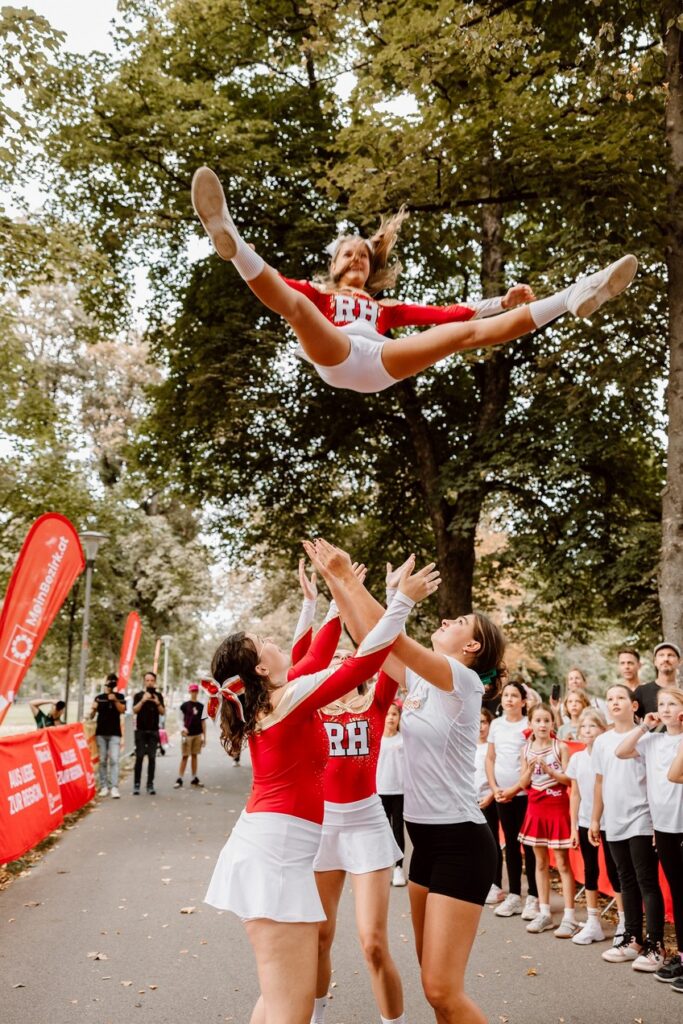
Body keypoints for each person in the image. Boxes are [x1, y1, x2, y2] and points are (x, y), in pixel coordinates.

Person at [204, 550, 438, 1024]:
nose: (273, 641)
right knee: (289, 1011)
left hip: (277, 851)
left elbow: (312, 657)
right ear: (262, 670)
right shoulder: (285, 700)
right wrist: (401, 604)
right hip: (277, 858)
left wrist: (332, 599)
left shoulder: (274, 696)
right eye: (263, 641)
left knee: (277, 1002)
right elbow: (357, 667)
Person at [191, 166, 638, 395]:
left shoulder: (385, 309)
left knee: (461, 334)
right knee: (297, 306)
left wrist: (502, 301)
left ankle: (574, 294)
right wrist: (243, 255)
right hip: (337, 352)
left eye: (364, 256)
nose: (357, 259)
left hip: (381, 359)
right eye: (349, 253)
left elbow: (451, 313)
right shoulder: (320, 293)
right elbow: (278, 289)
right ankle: (229, 236)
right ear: (334, 264)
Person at [305, 539, 505, 1024]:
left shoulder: (463, 681)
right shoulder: (420, 682)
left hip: (463, 843)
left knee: (442, 988)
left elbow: (393, 637)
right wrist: (337, 582)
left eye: (458, 624)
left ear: (471, 647)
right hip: (426, 844)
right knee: (435, 991)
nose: (446, 622)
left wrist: (354, 578)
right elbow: (372, 639)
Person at [590, 684, 665, 972]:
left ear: (634, 705)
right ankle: (632, 939)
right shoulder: (602, 741)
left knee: (646, 880)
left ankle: (655, 944)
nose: (614, 702)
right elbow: (599, 782)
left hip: (642, 818)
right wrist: (596, 818)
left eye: (620, 697)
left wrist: (657, 822)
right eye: (609, 699)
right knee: (625, 880)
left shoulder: (647, 739)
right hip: (614, 820)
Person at [615, 688, 683, 987]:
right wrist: (645, 725)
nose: (666, 709)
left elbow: (674, 777)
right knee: (679, 894)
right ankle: (681, 956)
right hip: (664, 828)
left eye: (673, 704)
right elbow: (621, 751)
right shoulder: (653, 740)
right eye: (662, 704)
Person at [517, 704, 577, 937]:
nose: (542, 725)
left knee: (561, 862)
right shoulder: (526, 749)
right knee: (539, 862)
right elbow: (522, 784)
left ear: (553, 723)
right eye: (538, 720)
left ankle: (570, 915)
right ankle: (544, 912)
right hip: (535, 808)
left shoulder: (560, 747)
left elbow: (569, 780)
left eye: (546, 720)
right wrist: (530, 771)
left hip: (557, 807)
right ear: (530, 723)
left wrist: (551, 772)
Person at [567, 708, 624, 944]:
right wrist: (573, 827)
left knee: (615, 870)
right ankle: (593, 922)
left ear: (603, 729)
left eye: (593, 726)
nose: (587, 730)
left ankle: (624, 922)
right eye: (584, 726)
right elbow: (575, 795)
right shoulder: (577, 758)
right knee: (590, 870)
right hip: (583, 821)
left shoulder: (610, 755)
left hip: (609, 822)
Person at [485, 680, 539, 921]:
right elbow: (490, 758)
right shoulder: (496, 725)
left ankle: (534, 896)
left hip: (524, 795)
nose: (509, 699)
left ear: (523, 701)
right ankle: (515, 894)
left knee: (529, 845)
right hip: (501, 794)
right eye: (506, 695)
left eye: (514, 695)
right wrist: (496, 788)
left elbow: (531, 763)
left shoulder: (529, 726)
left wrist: (515, 788)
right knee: (511, 847)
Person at [377, 700, 406, 888]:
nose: (390, 718)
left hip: (399, 790)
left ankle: (399, 867)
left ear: (399, 718)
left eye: (394, 714)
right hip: (380, 790)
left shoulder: (403, 739)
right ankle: (383, 866)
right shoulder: (377, 739)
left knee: (397, 829)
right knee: (382, 830)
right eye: (387, 714)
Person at [476, 708, 504, 906]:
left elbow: (497, 773)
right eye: (477, 722)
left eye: (484, 722)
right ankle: (478, 881)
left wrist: (491, 795)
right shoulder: (467, 744)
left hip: (489, 798)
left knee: (492, 842)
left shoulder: (491, 748)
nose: (480, 727)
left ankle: (495, 883)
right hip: (469, 800)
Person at [90, 672, 125, 798]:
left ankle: (114, 787)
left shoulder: (120, 696)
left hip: (115, 733)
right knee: (103, 760)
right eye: (109, 681)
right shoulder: (99, 697)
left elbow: (122, 710)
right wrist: (93, 709)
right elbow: (91, 716)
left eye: (113, 681)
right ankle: (104, 786)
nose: (110, 683)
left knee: (114, 760)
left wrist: (114, 699)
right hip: (101, 733)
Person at [132, 671, 165, 796]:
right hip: (140, 731)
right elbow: (134, 710)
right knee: (139, 757)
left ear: (155, 681)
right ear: (144, 681)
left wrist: (157, 702)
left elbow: (162, 712)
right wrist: (143, 700)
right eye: (147, 680)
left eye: (152, 680)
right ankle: (136, 785)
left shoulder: (158, 695)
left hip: (153, 732)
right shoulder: (138, 695)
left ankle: (150, 784)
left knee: (152, 758)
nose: (150, 682)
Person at [633, 642, 682, 719]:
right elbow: (631, 722)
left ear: (680, 661)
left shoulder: (681, 690)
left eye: (671, 655)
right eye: (661, 655)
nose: (666, 659)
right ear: (655, 661)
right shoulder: (642, 691)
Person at [174, 682, 208, 788]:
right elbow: (179, 719)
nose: (194, 693)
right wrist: (182, 729)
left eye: (195, 691)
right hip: (187, 735)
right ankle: (180, 778)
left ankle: (194, 777)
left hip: (197, 734)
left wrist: (204, 737)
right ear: (189, 691)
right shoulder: (184, 705)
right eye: (192, 691)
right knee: (185, 756)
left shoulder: (202, 706)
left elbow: (203, 722)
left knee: (194, 755)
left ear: (198, 692)